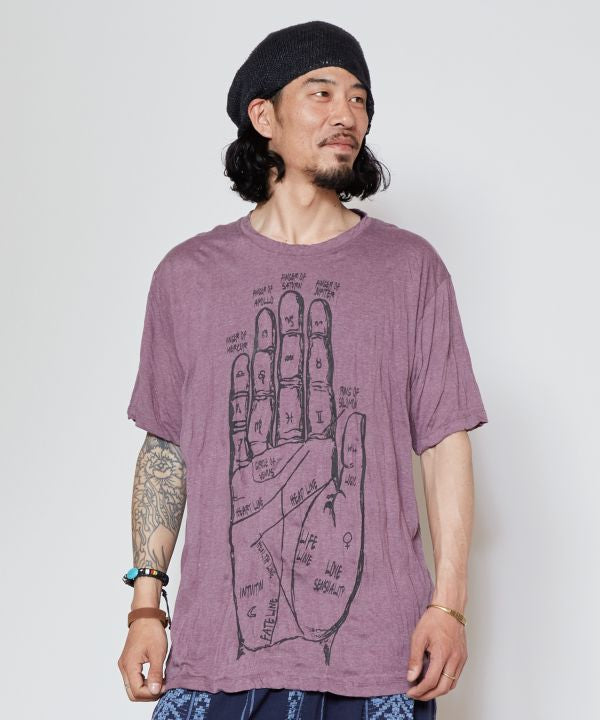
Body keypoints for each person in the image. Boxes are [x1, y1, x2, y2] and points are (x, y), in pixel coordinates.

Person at [117, 19, 488, 720]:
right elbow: (167, 447)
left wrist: (449, 605)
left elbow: (445, 440)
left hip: (380, 665)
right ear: (264, 116)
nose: (348, 114)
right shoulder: (187, 276)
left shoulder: (411, 270)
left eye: (360, 99)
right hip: (214, 660)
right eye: (322, 93)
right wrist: (145, 608)